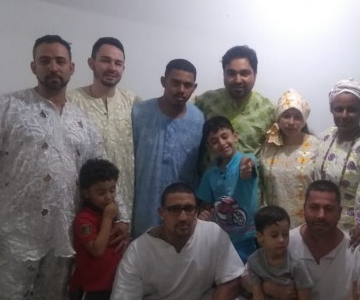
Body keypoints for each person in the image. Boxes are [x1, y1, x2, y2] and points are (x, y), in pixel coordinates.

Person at [0, 35, 130, 300]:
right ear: (33, 66)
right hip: (11, 234)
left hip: (61, 237)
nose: (53, 67)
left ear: (72, 68)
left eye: (59, 61)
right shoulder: (6, 107)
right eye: (45, 60)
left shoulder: (82, 120)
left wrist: (120, 215)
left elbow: (102, 171)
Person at [92, 182, 253, 300]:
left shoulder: (213, 233)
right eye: (174, 209)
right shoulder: (138, 250)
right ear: (161, 213)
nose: (183, 217)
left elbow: (231, 282)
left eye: (189, 209)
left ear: (197, 211)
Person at [314, 79, 360, 266]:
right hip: (322, 224)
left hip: (355, 232)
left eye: (352, 109)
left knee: (350, 279)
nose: (344, 115)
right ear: (332, 110)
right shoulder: (325, 137)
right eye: (338, 109)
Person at [67, 37, 140, 223]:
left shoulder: (133, 102)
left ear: (123, 68)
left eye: (118, 63)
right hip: (85, 202)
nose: (112, 68)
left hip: (126, 198)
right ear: (91, 63)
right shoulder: (71, 101)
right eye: (105, 60)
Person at [132, 59, 204, 238]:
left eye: (187, 85)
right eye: (175, 83)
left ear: (194, 88)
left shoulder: (199, 120)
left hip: (182, 215)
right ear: (163, 81)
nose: (181, 89)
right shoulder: (139, 114)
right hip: (143, 210)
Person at [65, 159, 124, 300]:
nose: (109, 197)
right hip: (87, 290)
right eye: (101, 192)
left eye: (112, 190)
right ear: (86, 193)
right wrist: (108, 218)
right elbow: (97, 250)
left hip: (108, 287)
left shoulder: (112, 213)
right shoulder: (85, 218)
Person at [246, 205, 319, 300]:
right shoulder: (254, 262)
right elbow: (258, 297)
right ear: (260, 237)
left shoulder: (296, 263)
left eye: (285, 234)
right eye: (274, 235)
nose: (281, 240)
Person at [194, 45, 275, 169]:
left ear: (255, 74)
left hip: (249, 180)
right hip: (209, 180)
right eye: (231, 73)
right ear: (224, 74)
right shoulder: (205, 102)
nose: (238, 80)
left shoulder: (268, 109)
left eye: (244, 73)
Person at [197, 116, 259, 263]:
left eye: (225, 137)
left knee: (247, 273)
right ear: (209, 146)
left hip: (248, 237)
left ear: (235, 136)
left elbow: (250, 163)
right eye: (214, 141)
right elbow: (206, 206)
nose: (221, 143)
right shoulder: (209, 174)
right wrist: (203, 217)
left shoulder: (246, 159)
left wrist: (247, 166)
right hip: (219, 239)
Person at [259, 89, 319, 227]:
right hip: (273, 222)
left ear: (304, 120)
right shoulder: (269, 145)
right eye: (286, 115)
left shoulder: (315, 145)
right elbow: (262, 186)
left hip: (306, 224)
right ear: (278, 118)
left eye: (297, 117)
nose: (291, 122)